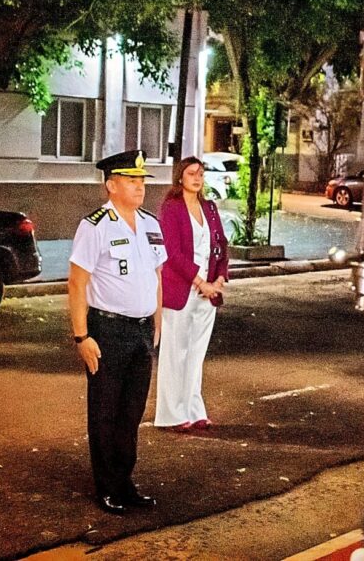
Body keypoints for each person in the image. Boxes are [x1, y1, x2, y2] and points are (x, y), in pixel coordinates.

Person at [68, 149, 166, 515]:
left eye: (141, 181)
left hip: (141, 331)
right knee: (105, 412)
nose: (139, 187)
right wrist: (82, 336)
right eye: (131, 181)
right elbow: (78, 283)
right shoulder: (95, 226)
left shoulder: (151, 224)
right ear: (111, 186)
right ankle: (108, 488)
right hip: (107, 330)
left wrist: (157, 321)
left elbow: (156, 277)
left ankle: (125, 483)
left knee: (131, 413)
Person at [154, 156, 228, 432]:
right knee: (175, 352)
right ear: (180, 177)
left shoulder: (209, 207)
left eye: (201, 173)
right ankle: (172, 414)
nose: (197, 178)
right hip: (183, 289)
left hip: (208, 291)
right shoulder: (171, 208)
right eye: (191, 173)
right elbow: (172, 252)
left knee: (197, 353)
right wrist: (200, 282)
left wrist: (219, 277)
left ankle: (194, 409)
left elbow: (221, 243)